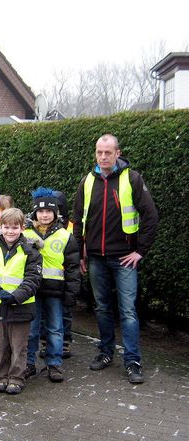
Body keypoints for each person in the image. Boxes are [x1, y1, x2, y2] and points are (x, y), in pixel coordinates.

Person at [73, 134, 158, 384]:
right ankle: (106, 352)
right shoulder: (87, 181)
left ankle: (132, 361)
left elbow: (151, 217)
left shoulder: (132, 178)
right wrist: (80, 252)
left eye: (108, 152)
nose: (103, 157)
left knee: (128, 312)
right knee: (102, 308)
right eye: (99, 152)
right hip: (96, 259)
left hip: (124, 259)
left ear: (117, 153)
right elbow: (78, 220)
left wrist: (140, 251)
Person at [0, 208, 42, 395]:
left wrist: (16, 296)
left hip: (21, 306)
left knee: (19, 346)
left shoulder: (31, 252)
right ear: (0, 227)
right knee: (1, 345)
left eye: (15, 227)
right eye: (6, 227)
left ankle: (16, 378)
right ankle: (2, 377)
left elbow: (33, 279)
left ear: (22, 228)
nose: (10, 231)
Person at [23, 189, 80, 383]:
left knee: (56, 329)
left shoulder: (65, 236)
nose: (44, 215)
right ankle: (28, 364)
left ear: (56, 213)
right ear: (34, 213)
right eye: (40, 211)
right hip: (32, 290)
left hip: (55, 292)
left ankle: (54, 364)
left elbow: (72, 268)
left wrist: (71, 293)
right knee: (31, 329)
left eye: (49, 211)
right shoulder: (25, 234)